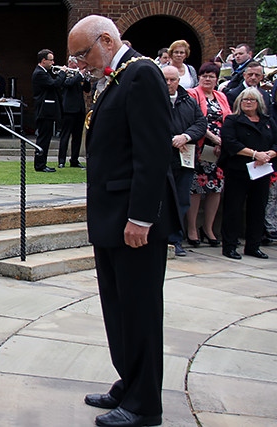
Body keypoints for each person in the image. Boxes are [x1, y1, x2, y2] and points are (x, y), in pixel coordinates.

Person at [68, 15, 178, 427]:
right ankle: (129, 382)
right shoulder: (115, 79)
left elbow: (152, 155)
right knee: (118, 307)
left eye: (83, 53)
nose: (80, 63)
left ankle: (145, 404)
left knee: (140, 311)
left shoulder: (142, 74)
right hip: (111, 217)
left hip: (133, 221)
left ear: (107, 40)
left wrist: (141, 218)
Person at [220, 87, 277, 259]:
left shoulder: (267, 121)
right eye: (245, 100)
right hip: (238, 170)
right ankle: (229, 245)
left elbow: (275, 142)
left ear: (259, 103)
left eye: (252, 100)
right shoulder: (232, 120)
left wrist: (269, 154)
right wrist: (254, 154)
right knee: (233, 208)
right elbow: (230, 143)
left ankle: (253, 245)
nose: (248, 102)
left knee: (258, 208)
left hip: (262, 170)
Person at [162, 65, 207, 256]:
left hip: (185, 158)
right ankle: (161, 238)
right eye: (165, 80)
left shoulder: (188, 100)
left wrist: (186, 137)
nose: (169, 83)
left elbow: (201, 123)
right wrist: (172, 139)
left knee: (181, 200)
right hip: (163, 158)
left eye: (173, 80)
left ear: (179, 80)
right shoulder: (153, 100)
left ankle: (175, 239)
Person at [186, 63, 231, 248]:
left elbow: (228, 119)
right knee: (196, 188)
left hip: (218, 150)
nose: (207, 79)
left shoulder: (221, 96)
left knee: (216, 188)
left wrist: (224, 142)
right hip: (200, 146)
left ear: (217, 78)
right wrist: (215, 139)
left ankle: (209, 228)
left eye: (211, 76)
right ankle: (192, 229)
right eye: (204, 75)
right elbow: (196, 120)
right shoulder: (193, 95)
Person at [31, 49, 66, 172]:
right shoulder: (40, 73)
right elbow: (54, 84)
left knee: (46, 138)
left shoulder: (45, 72)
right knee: (43, 138)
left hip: (47, 111)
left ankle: (42, 163)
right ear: (43, 60)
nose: (53, 62)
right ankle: (40, 165)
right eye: (50, 60)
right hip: (44, 111)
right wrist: (62, 73)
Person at [58, 57, 91, 168]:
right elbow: (68, 83)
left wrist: (86, 79)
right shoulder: (65, 73)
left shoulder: (79, 75)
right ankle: (61, 160)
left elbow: (87, 89)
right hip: (68, 108)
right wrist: (80, 75)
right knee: (65, 135)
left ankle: (74, 160)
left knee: (77, 136)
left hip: (80, 108)